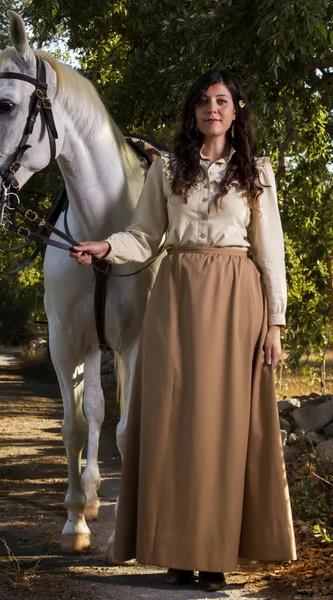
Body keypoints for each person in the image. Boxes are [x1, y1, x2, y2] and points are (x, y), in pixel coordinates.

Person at [69, 69, 297, 592]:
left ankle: (215, 555)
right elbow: (144, 236)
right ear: (193, 112)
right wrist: (105, 246)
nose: (211, 109)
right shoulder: (168, 169)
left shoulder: (256, 173)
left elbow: (271, 254)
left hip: (237, 301)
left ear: (236, 110)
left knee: (221, 430)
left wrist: (275, 324)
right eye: (202, 101)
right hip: (174, 296)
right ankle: (174, 551)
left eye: (221, 101)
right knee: (173, 425)